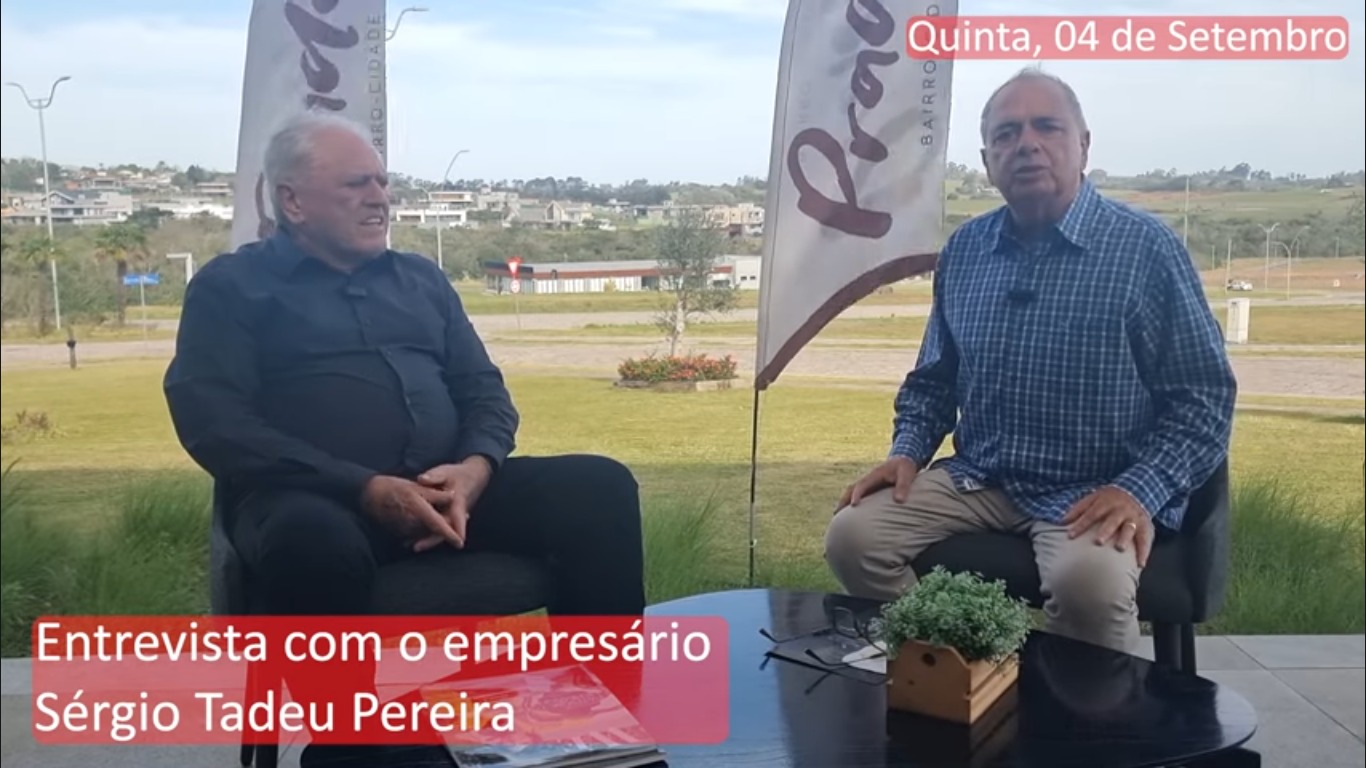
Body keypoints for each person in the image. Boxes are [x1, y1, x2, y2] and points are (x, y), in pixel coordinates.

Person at [164, 111, 645, 767]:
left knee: (598, 487)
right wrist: (360, 486)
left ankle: (599, 719)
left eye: (383, 183)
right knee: (309, 539)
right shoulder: (232, 289)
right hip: (316, 500)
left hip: (449, 495)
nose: (380, 198)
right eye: (356, 184)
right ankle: (354, 747)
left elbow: (484, 392)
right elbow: (214, 422)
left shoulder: (420, 280)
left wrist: (475, 469)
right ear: (293, 202)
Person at [824, 68, 1237, 656]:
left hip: (1095, 487)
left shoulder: (1146, 249)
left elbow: (1204, 398)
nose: (1027, 144)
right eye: (1007, 133)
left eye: (1047, 127)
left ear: (1083, 145)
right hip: (982, 478)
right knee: (853, 537)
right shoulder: (966, 250)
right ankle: (958, 670)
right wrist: (907, 451)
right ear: (987, 160)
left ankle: (1093, 711)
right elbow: (934, 380)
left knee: (1089, 584)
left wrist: (1138, 491)